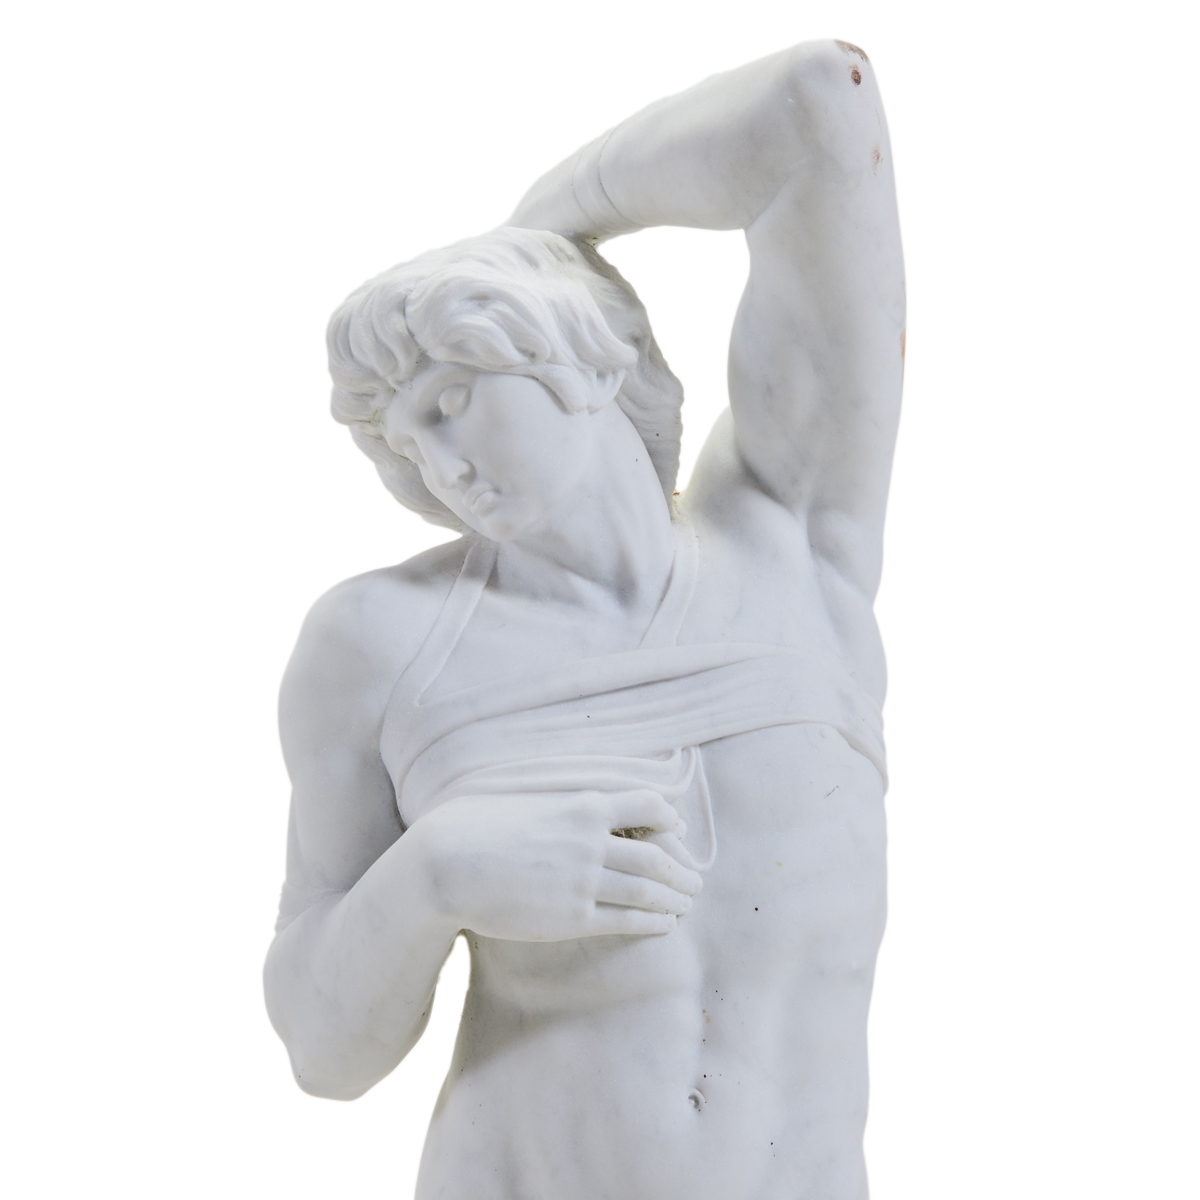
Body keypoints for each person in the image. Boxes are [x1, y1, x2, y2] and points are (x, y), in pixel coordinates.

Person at [265, 39, 904, 1200]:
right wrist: (437, 875)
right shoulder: (383, 643)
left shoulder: (797, 542)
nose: (437, 465)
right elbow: (323, 1050)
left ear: (587, 358)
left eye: (453, 400)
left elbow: (821, 108)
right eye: (404, 444)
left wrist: (553, 227)